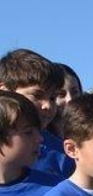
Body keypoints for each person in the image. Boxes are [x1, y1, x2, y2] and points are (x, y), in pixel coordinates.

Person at [0, 50, 69, 181]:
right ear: (4, 91)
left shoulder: (62, 154)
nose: (47, 105)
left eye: (53, 98)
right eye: (37, 96)